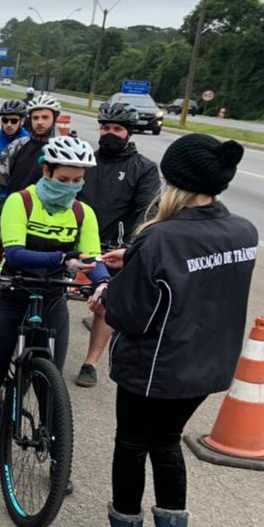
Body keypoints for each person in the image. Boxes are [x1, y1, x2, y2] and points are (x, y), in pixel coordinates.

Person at [90, 134, 256, 527]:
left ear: (173, 181)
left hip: (155, 367)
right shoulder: (244, 231)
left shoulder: (160, 237)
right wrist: (136, 258)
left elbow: (128, 313)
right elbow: (195, 274)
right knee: (167, 442)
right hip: (208, 365)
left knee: (132, 445)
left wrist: (107, 287)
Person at [0, 136, 109, 480]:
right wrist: (63, 260)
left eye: (77, 180)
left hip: (51, 302)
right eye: (62, 179)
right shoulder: (19, 203)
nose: (70, 187)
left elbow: (92, 259)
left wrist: (102, 280)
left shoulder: (84, 213)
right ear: (46, 171)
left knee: (49, 386)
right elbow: (16, 253)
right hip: (8, 298)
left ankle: (56, 455)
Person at [72, 101, 161, 388]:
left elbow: (146, 212)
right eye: (105, 127)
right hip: (75, 243)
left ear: (129, 133)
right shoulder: (86, 161)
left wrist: (130, 248)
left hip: (114, 248)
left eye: (117, 129)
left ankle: (90, 363)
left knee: (105, 306)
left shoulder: (144, 169)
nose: (110, 133)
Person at [0, 91, 62, 207]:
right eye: (35, 118)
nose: (39, 122)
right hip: (14, 211)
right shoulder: (17, 146)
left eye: (45, 117)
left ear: (54, 119)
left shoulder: (61, 150)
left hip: (44, 217)